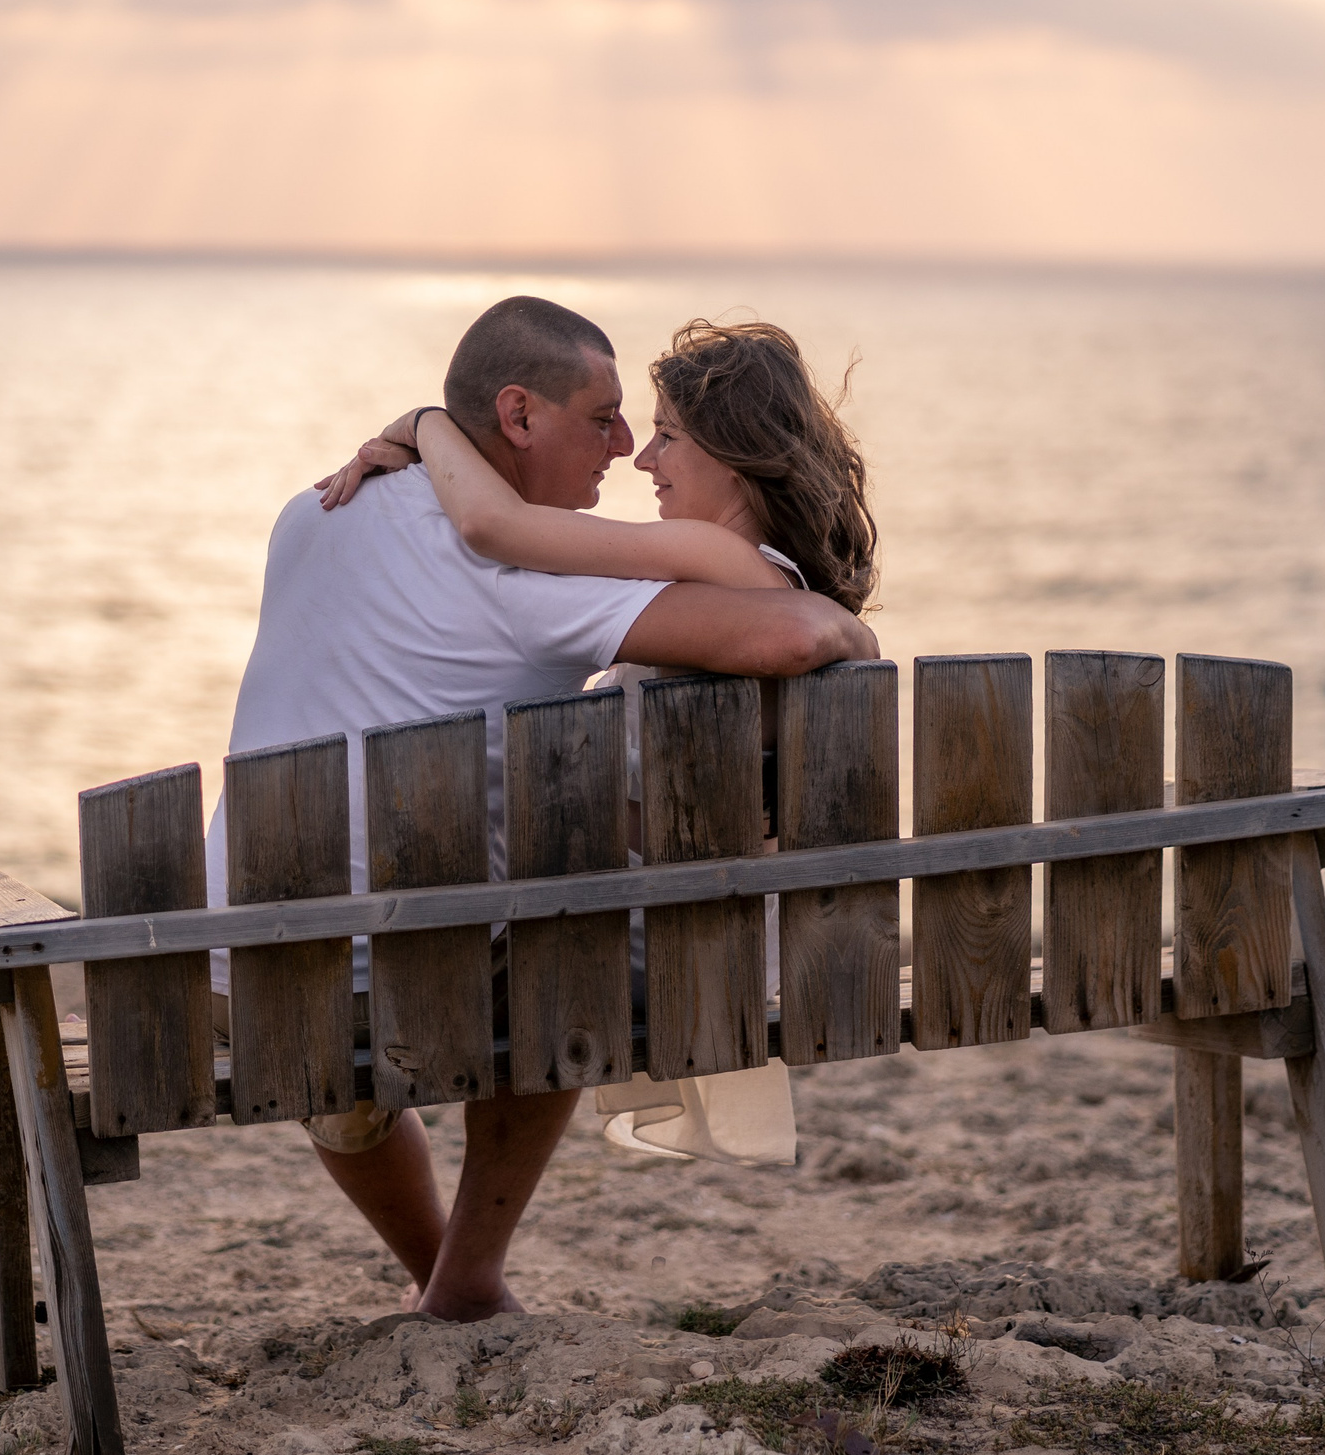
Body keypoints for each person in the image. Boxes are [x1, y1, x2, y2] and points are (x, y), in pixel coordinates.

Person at [209, 297, 876, 1324]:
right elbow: (785, 634)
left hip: (234, 965)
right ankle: (466, 1283)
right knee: (567, 938)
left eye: (650, 430)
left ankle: (456, 1282)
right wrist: (848, 632)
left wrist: (422, 426)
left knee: (526, 905)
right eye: (602, 418)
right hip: (384, 973)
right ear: (517, 418)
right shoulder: (525, 569)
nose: (625, 448)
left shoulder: (312, 511)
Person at [319, 319, 878, 1168]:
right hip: (724, 942)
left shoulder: (708, 566)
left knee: (441, 939)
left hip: (661, 963)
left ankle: (419, 1208)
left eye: (667, 435)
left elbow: (491, 527)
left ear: (734, 454)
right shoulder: (766, 579)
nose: (643, 459)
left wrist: (424, 425)